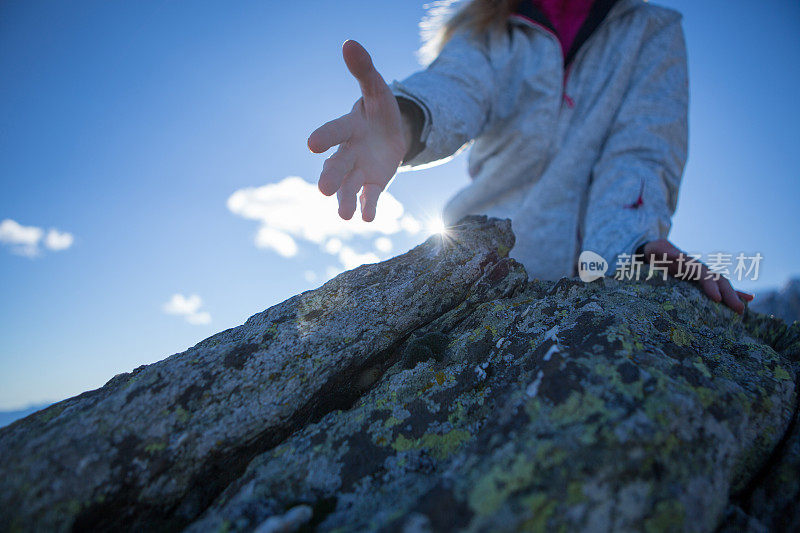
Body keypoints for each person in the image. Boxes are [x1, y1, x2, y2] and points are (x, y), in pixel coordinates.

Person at [307, 0, 753, 314]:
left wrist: (633, 241)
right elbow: (457, 87)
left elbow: (643, 148)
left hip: (592, 284)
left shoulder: (652, 31)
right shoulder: (488, 25)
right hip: (476, 268)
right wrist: (404, 120)